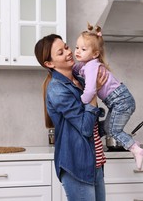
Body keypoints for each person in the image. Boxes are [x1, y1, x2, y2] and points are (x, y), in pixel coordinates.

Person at [34, 34, 107, 201]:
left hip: (94, 161)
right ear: (49, 63)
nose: (68, 52)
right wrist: (93, 92)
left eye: (66, 47)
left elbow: (93, 127)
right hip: (77, 164)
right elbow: (85, 128)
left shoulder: (80, 80)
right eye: (60, 52)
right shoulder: (57, 89)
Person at [73, 23, 143, 170]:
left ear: (95, 54)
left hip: (121, 101)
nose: (78, 51)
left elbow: (90, 91)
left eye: (83, 49)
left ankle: (137, 150)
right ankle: (133, 143)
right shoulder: (85, 65)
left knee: (113, 130)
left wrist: (80, 103)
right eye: (77, 47)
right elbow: (74, 69)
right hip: (119, 101)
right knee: (107, 127)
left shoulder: (92, 66)